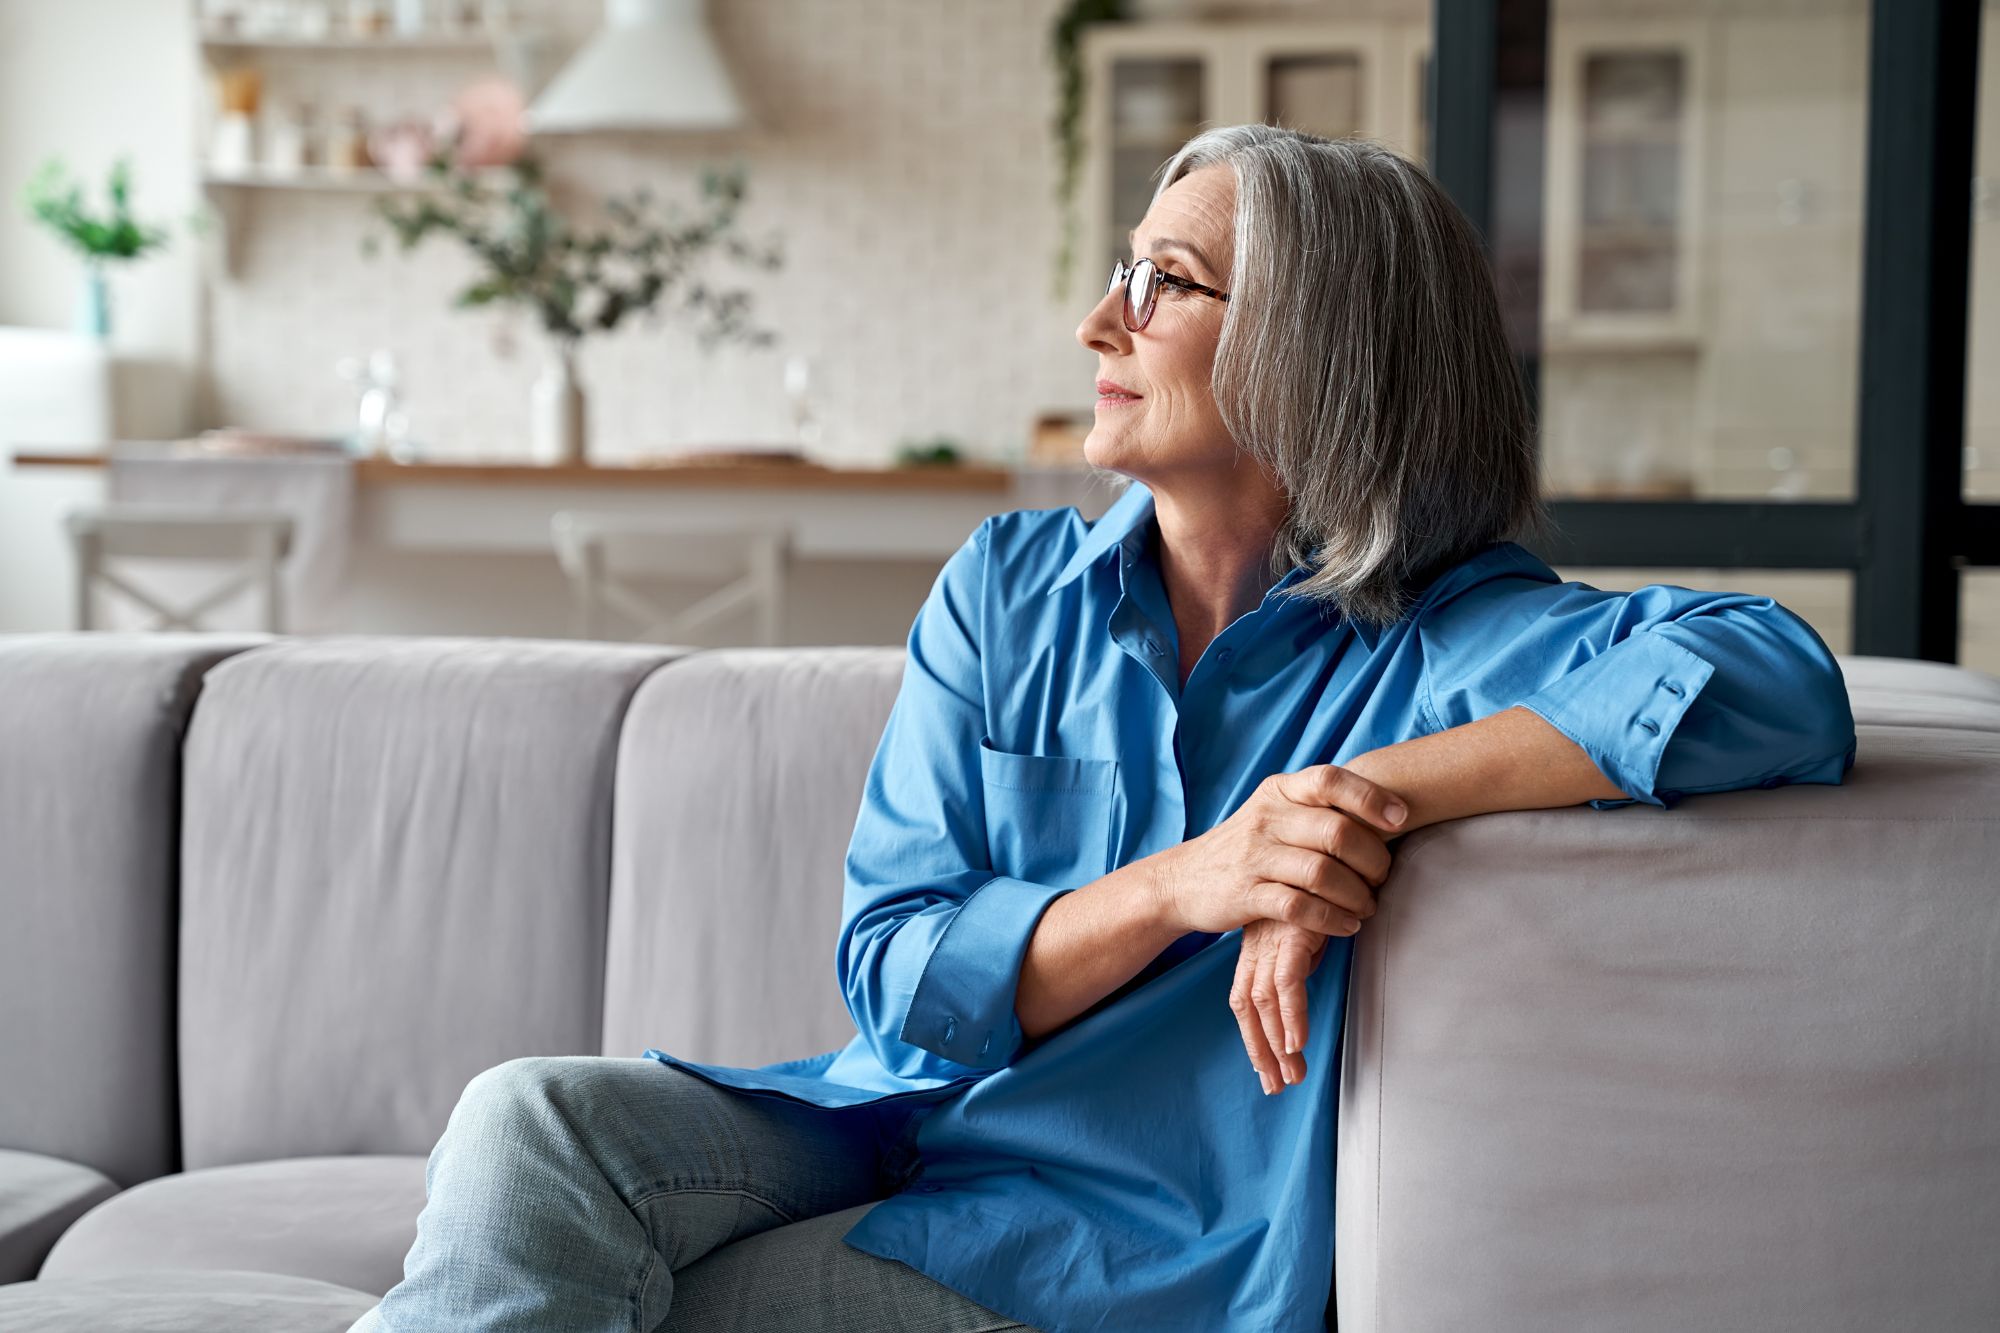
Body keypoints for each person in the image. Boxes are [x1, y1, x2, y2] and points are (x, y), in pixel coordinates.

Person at [352, 125, 1856, 1333]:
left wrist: (1357, 790)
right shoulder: (1010, 589)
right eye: (1119, 275)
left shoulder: (1453, 639)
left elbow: (1775, 675)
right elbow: (895, 974)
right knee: (532, 1119)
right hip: (901, 1125)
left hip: (1109, 1246)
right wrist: (1195, 877)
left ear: (1314, 345)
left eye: (1161, 284)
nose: (1097, 322)